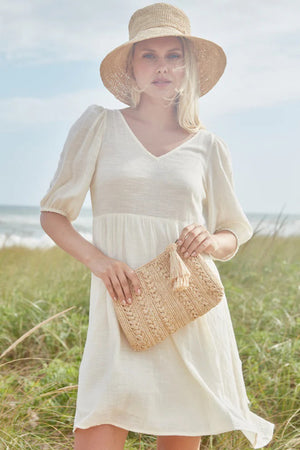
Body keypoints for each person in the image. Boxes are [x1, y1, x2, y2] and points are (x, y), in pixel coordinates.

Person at [40, 3, 275, 450]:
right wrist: (100, 262)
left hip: (186, 309)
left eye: (173, 55)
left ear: (187, 66)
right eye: (148, 55)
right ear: (131, 65)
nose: (162, 66)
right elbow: (54, 213)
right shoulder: (99, 126)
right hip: (120, 303)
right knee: (97, 427)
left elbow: (234, 231)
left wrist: (212, 239)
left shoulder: (208, 146)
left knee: (180, 432)